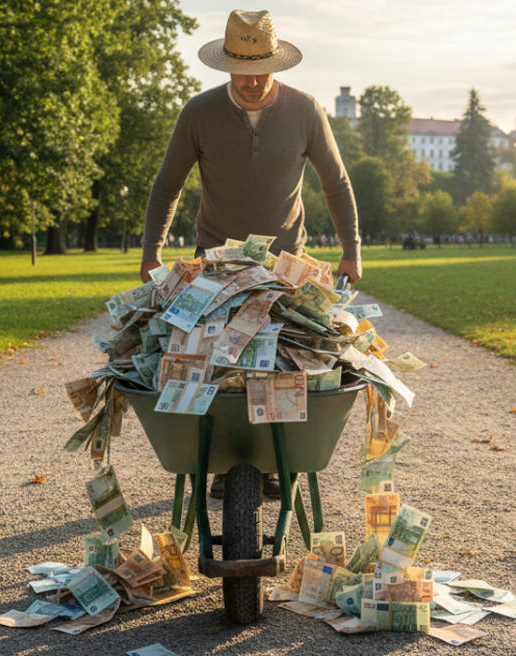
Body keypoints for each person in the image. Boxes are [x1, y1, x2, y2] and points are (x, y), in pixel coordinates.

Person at [139, 9, 362, 500]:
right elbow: (167, 185)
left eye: (263, 69)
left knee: (280, 365)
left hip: (283, 266)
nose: (254, 82)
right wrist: (151, 250)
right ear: (226, 65)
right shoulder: (198, 113)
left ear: (276, 65)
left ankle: (270, 458)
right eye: (243, 69)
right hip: (215, 262)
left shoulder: (305, 111)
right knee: (217, 365)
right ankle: (224, 458)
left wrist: (351, 250)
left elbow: (336, 183)